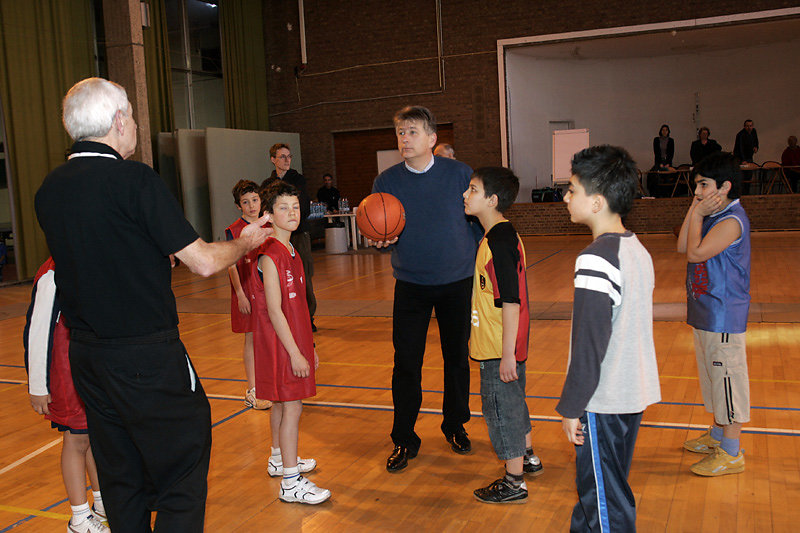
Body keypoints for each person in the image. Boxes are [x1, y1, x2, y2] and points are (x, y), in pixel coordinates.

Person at [34, 77, 271, 532]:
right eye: (133, 116)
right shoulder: (135, 180)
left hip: (88, 357)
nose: (136, 125)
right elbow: (201, 261)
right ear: (118, 120)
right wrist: (245, 243)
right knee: (182, 467)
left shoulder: (51, 188)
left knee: (121, 474)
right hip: (145, 353)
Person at [557, 145, 661, 532]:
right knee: (596, 493)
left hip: (602, 399)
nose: (566, 197)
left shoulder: (595, 259)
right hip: (629, 394)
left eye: (572, 189)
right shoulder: (636, 248)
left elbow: (590, 343)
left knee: (606, 503)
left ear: (597, 201)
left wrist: (572, 405)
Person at [371, 105, 480, 472]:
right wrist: (379, 240)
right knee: (405, 364)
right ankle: (404, 438)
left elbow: (478, 222)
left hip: (457, 281)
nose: (404, 138)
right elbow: (380, 227)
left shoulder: (460, 174)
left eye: (412, 132)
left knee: (456, 358)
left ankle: (455, 425)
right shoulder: (386, 182)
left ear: (432, 139)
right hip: (411, 284)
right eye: (401, 132)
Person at [462, 167, 543, 505]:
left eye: (473, 189)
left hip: (499, 348)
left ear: (492, 200)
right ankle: (527, 456)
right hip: (505, 343)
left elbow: (511, 300)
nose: (465, 195)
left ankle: (514, 481)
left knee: (500, 411)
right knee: (514, 403)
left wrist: (506, 354)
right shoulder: (501, 234)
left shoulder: (498, 240)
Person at [253, 180, 330, 505]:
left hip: (295, 343)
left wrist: (308, 347)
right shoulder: (271, 255)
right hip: (282, 346)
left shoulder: (292, 249)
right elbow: (274, 309)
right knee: (293, 407)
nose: (292, 212)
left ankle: (278, 457)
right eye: (283, 207)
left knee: (283, 405)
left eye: (296, 206)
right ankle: (290, 481)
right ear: (268, 215)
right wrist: (296, 353)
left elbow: (298, 309)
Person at [677, 151, 750, 477]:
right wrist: (696, 208)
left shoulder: (731, 221)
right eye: (696, 185)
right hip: (705, 313)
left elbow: (695, 253)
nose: (697, 191)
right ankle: (718, 433)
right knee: (713, 381)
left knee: (728, 383)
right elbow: (681, 246)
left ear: (724, 187)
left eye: (703, 185)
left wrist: (698, 213)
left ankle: (732, 452)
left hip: (724, 316)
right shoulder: (710, 215)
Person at [24, 258, 110, 533]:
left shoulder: (87, 260)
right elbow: (37, 331)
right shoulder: (52, 272)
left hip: (87, 364)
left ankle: (100, 503)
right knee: (77, 439)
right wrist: (38, 385)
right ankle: (79, 517)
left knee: (93, 436)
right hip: (63, 370)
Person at [226, 179, 272, 410]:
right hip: (247, 291)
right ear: (239, 206)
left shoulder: (269, 226)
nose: (252, 205)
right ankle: (252, 389)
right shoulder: (235, 230)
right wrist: (240, 295)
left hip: (269, 292)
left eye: (255, 200)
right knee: (252, 338)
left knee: (271, 336)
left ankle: (271, 384)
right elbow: (232, 265)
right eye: (246, 202)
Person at [262, 144, 317, 331]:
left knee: (303, 276)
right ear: (273, 159)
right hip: (276, 237)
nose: (286, 160)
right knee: (278, 278)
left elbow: (304, 207)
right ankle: (283, 316)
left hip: (299, 234)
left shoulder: (298, 179)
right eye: (282, 157)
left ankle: (308, 316)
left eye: (289, 156)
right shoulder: (267, 184)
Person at [647, 124, 675, 197]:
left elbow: (671, 152)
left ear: (668, 131)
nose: (664, 131)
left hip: (667, 161)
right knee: (655, 176)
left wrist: (668, 163)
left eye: (666, 130)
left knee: (668, 176)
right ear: (660, 131)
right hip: (659, 161)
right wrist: (660, 163)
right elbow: (656, 152)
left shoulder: (671, 140)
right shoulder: (656, 140)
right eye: (663, 130)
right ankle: (657, 194)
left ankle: (667, 194)